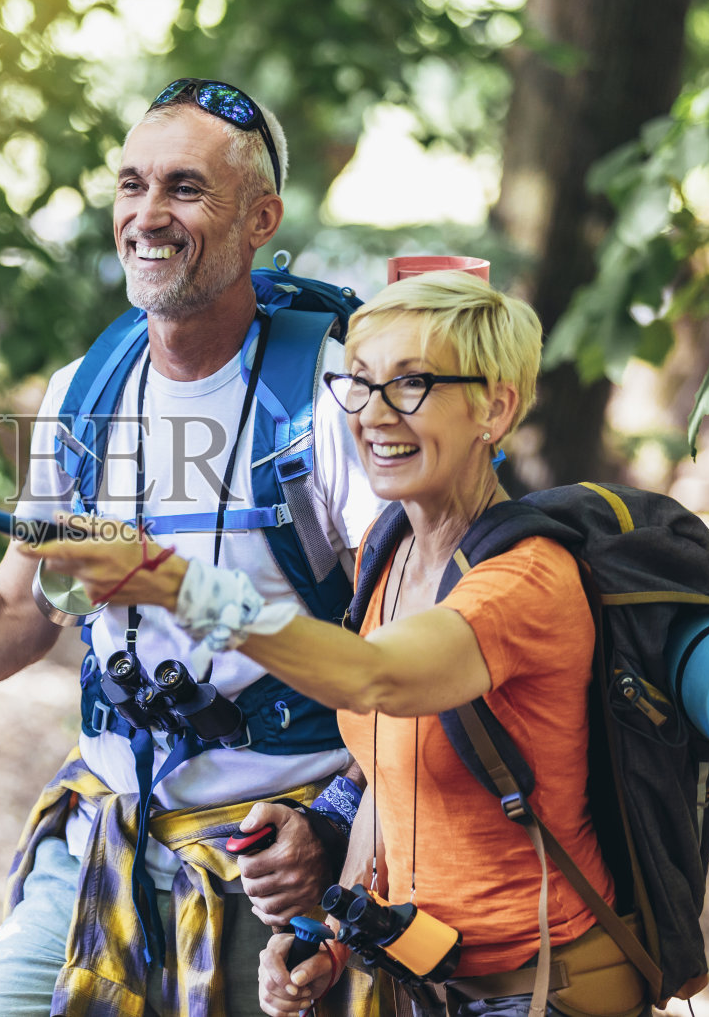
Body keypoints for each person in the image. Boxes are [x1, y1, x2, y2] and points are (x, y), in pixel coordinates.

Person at [0, 79, 386, 1016]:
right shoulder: (85, 391)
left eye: (186, 188)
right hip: (106, 846)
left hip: (280, 869)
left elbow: (407, 664)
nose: (149, 214)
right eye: (132, 184)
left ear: (260, 219)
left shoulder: (328, 402)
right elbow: (18, 610)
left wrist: (334, 825)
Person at [35, 271, 649, 1017]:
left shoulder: (520, 582)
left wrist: (172, 583)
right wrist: (328, 936)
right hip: (427, 980)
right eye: (358, 383)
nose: (374, 414)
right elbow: (386, 780)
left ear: (496, 408)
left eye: (412, 383)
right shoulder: (395, 554)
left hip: (546, 988)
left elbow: (375, 678)